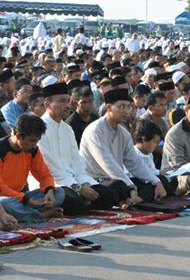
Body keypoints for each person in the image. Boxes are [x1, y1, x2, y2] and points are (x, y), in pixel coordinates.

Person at [38, 83, 119, 214]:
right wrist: (78, 187)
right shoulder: (39, 129)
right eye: (62, 101)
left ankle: (83, 202)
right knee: (74, 202)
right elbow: (51, 168)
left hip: (75, 181)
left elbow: (77, 161)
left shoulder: (67, 129)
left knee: (111, 195)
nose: (67, 106)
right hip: (53, 184)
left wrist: (84, 183)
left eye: (68, 101)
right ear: (47, 104)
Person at [79, 88, 167, 205]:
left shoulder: (123, 132)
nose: (126, 111)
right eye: (121, 107)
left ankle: (133, 199)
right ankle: (131, 198)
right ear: (109, 108)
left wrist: (156, 182)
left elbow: (134, 163)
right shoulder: (95, 131)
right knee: (116, 190)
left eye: (128, 107)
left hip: (119, 179)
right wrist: (131, 187)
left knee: (161, 181)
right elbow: (108, 164)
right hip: (97, 181)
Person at [0, 113, 65, 222]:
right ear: (19, 136)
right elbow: (1, 188)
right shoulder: (1, 150)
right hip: (5, 197)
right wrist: (26, 199)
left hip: (21, 197)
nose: (35, 145)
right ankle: (39, 215)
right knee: (6, 203)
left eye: (37, 140)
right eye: (32, 140)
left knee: (60, 192)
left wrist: (49, 191)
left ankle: (26, 214)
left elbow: (44, 174)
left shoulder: (32, 150)